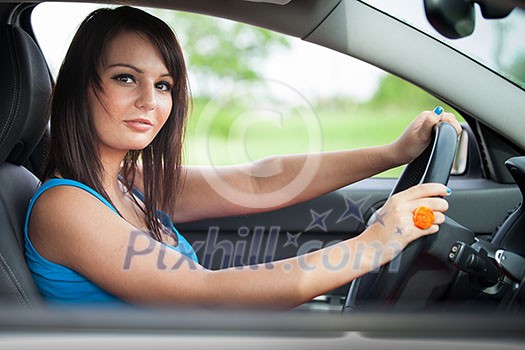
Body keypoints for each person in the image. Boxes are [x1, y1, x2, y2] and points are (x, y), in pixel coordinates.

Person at [24, 6, 461, 307]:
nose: (150, 101)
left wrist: (393, 152)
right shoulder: (66, 206)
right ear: (76, 89)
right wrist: (374, 244)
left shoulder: (126, 180)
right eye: (125, 78)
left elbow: (258, 182)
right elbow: (204, 294)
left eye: (164, 85)